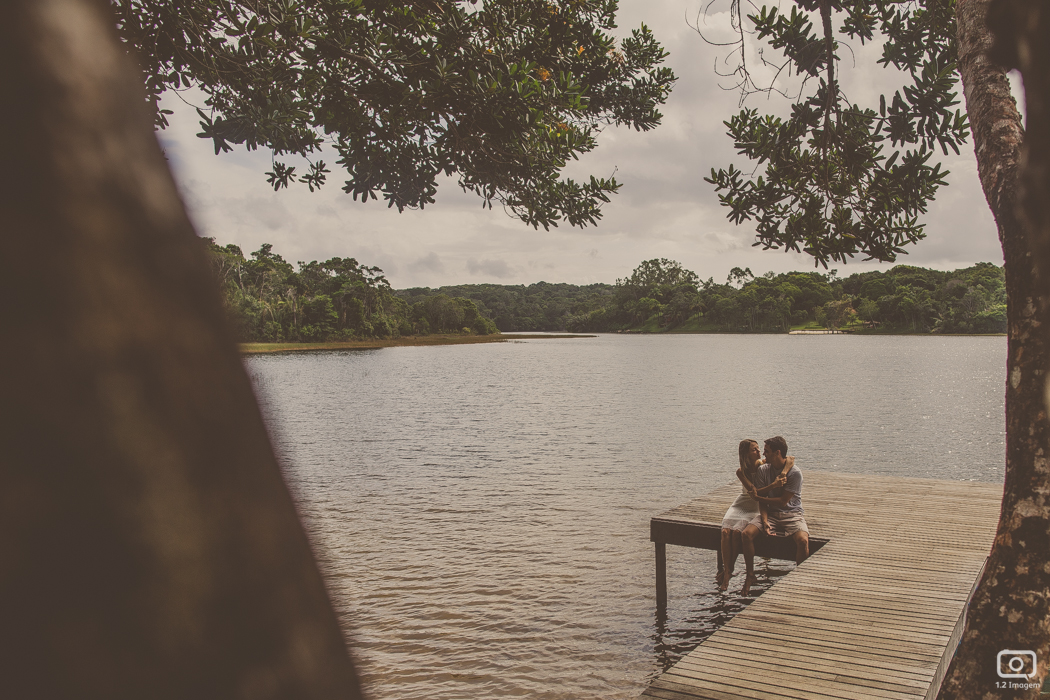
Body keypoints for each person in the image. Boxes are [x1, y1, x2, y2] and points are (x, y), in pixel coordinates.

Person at [717, 439, 791, 592]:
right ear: (746, 454)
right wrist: (774, 485)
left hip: (755, 505)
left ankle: (728, 571)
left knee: (736, 533)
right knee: (725, 532)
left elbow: (790, 459)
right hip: (742, 502)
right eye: (754, 450)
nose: (759, 452)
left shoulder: (761, 464)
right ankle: (727, 570)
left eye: (758, 449)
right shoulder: (740, 472)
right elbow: (754, 492)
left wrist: (784, 472)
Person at [742, 436, 809, 594]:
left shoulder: (795, 473)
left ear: (777, 453)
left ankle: (801, 580)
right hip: (771, 513)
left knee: (803, 540)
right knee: (746, 534)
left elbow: (783, 501)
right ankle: (750, 575)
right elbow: (763, 501)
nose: (763, 455)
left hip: (792, 513)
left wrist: (759, 498)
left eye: (767, 451)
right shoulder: (763, 470)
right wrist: (765, 521)